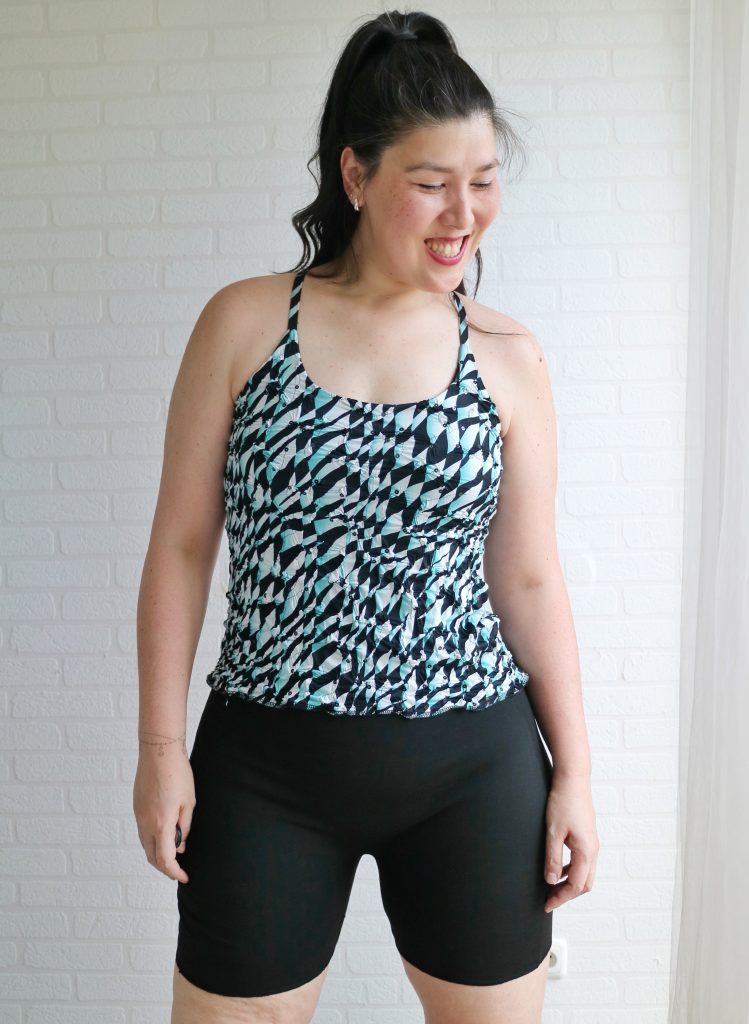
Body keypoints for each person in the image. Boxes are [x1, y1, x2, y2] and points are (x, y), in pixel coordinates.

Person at [133, 9, 598, 1023]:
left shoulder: (508, 357)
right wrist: (161, 749)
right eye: (431, 183)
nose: (463, 214)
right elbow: (180, 545)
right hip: (266, 769)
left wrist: (575, 774)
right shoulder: (244, 324)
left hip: (475, 769)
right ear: (355, 175)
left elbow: (526, 576)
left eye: (484, 181)